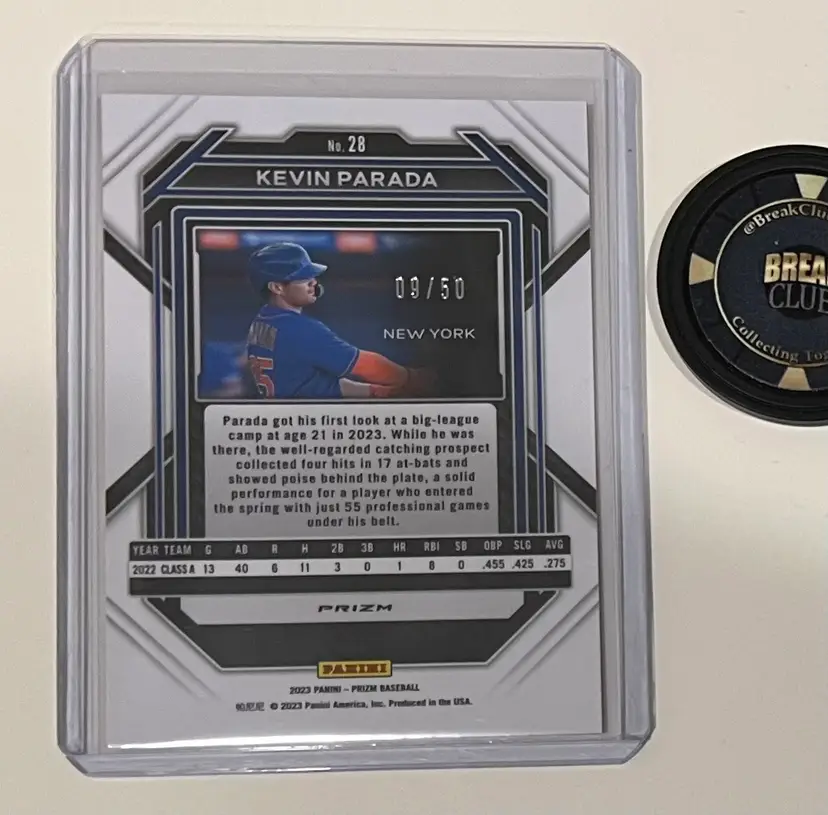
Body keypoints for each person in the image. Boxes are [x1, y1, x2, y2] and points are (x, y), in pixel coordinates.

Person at [245, 241, 432, 399]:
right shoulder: (299, 328)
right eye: (302, 277)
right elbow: (367, 366)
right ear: (277, 287)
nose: (313, 282)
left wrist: (375, 391)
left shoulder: (261, 321)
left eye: (312, 275)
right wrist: (413, 378)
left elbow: (315, 384)